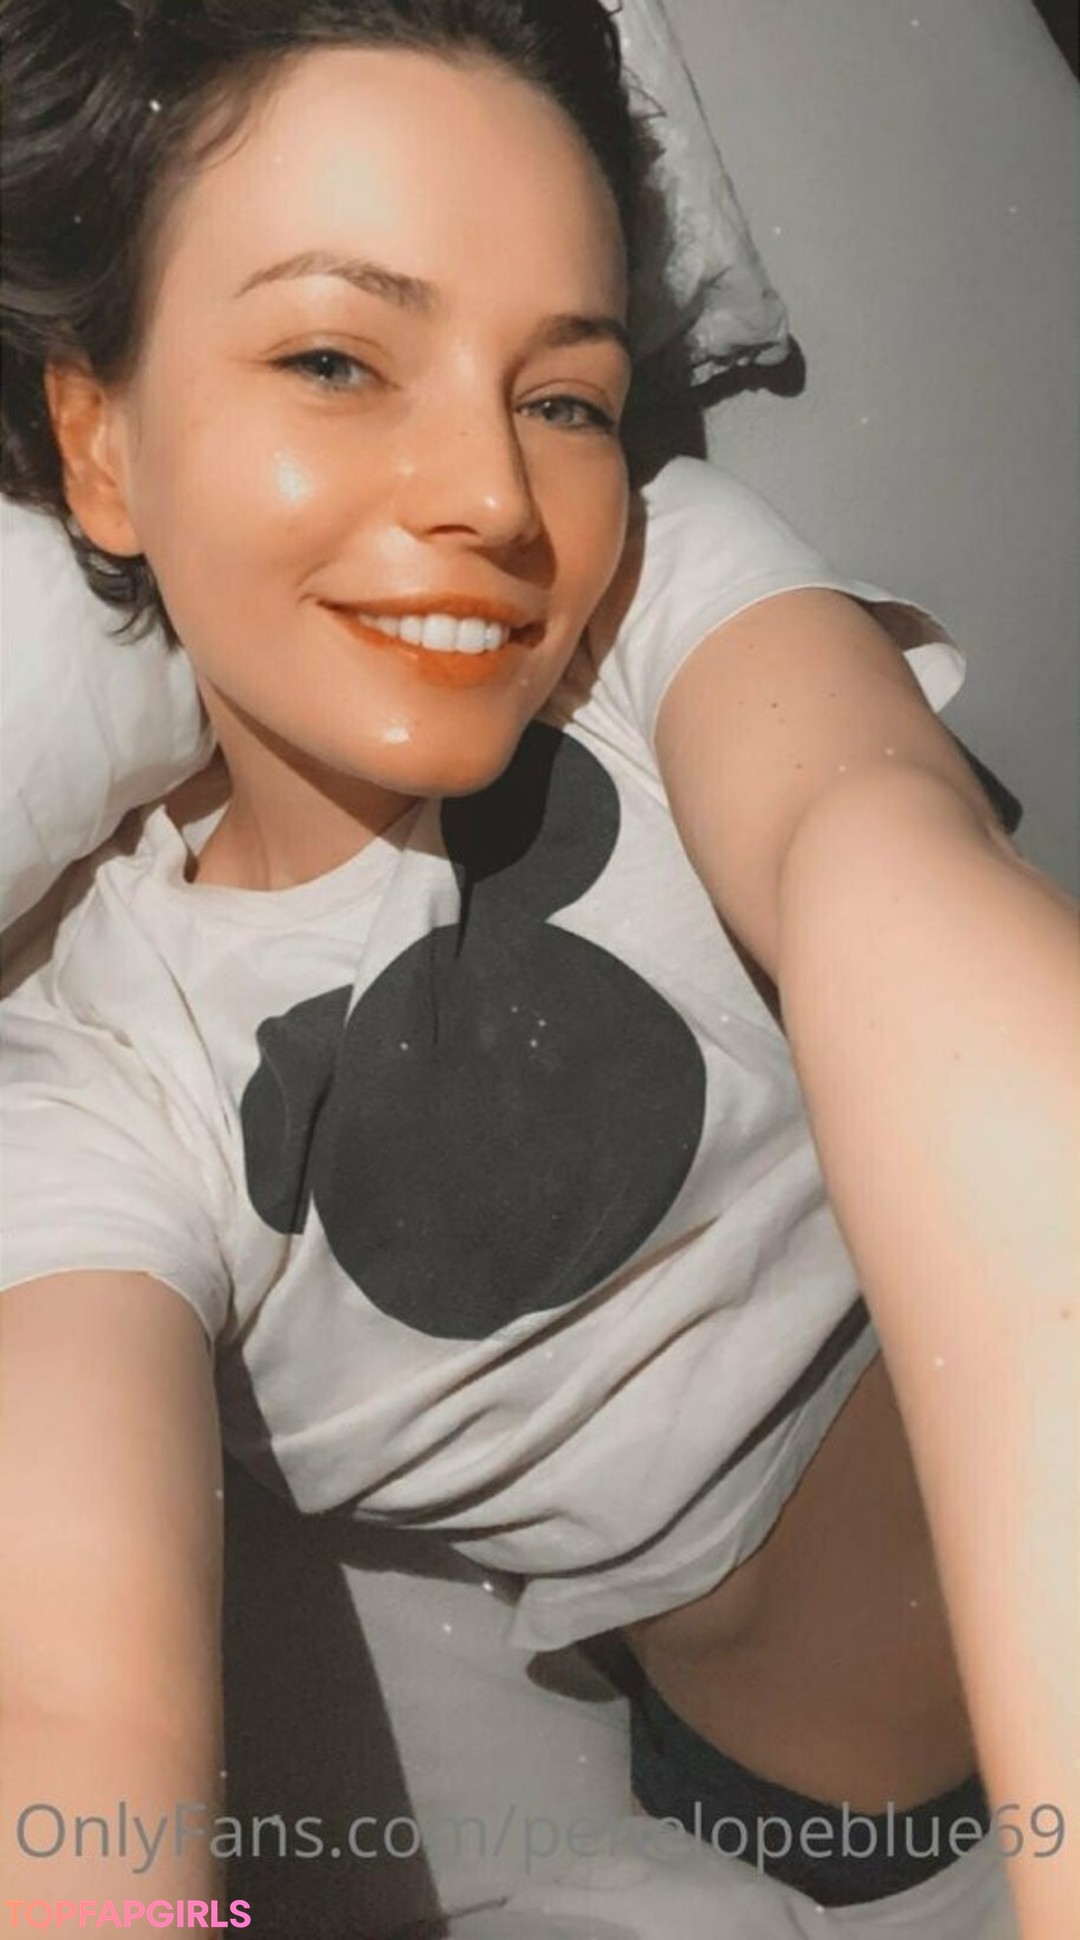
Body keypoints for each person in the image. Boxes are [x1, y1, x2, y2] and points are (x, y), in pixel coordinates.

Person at [0, 1, 1075, 1931]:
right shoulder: (98, 1080)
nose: (495, 500)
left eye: (565, 398)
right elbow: (68, 1719)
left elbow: (892, 882)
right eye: (337, 359)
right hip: (866, 1804)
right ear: (99, 443)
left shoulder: (659, 610)